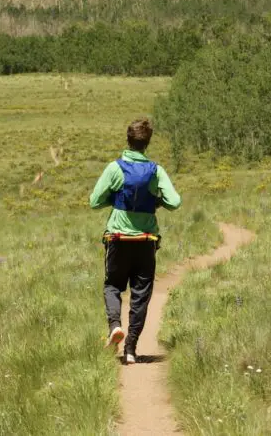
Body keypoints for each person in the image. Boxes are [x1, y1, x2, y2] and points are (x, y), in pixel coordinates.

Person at [88, 117, 181, 364]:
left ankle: (115, 326)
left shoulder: (114, 168)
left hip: (118, 239)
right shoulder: (156, 171)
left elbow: (94, 201)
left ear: (128, 140)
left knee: (112, 286)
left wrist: (117, 200)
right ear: (147, 143)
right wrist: (155, 201)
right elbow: (175, 202)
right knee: (141, 294)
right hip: (145, 241)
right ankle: (131, 349)